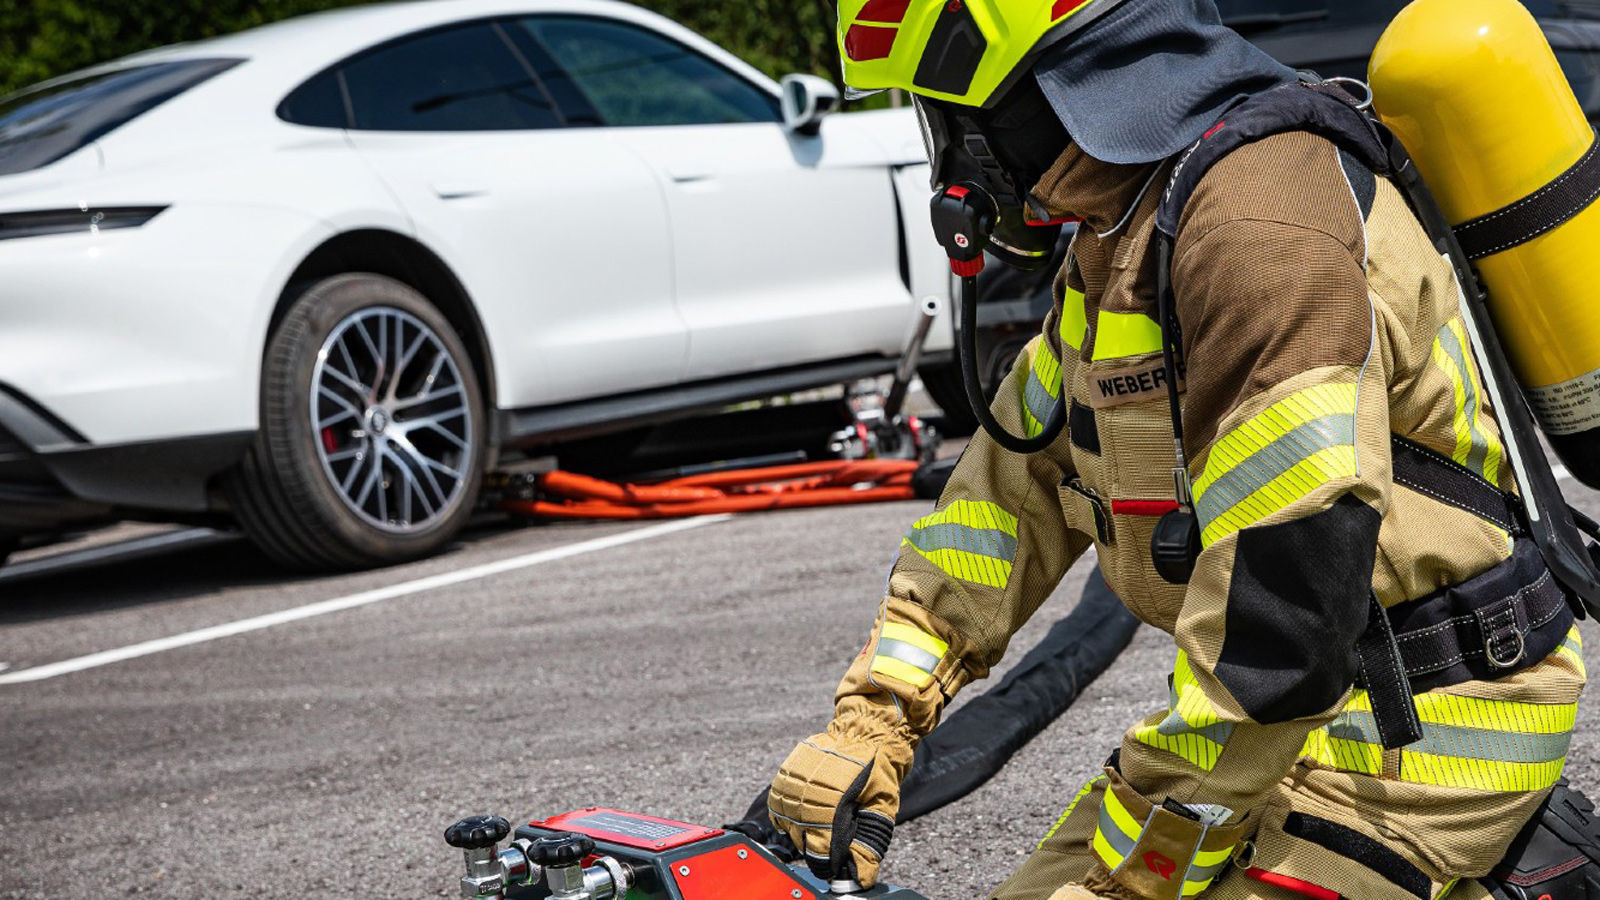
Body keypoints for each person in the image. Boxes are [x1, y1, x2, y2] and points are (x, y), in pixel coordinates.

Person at [765, 1, 1587, 898]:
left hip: (1415, 749)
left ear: (1023, 93)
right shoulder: (1126, 229)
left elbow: (1285, 617)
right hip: (1274, 725)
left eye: (948, 116)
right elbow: (1005, 503)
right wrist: (873, 724)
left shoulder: (1257, 232)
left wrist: (1139, 874)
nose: (952, 157)